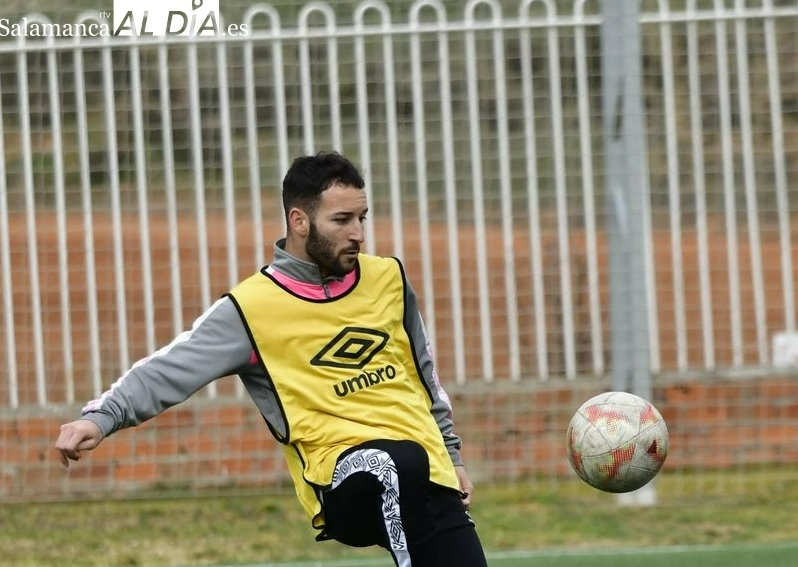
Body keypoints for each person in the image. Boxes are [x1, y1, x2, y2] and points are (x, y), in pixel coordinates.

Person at [55, 151, 489, 567]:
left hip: (425, 467)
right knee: (395, 463)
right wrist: (100, 417)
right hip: (342, 478)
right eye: (342, 220)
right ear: (299, 221)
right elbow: (170, 368)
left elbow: (424, 376)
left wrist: (452, 457)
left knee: (420, 478)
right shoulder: (251, 309)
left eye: (362, 218)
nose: (357, 232)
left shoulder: (389, 279)